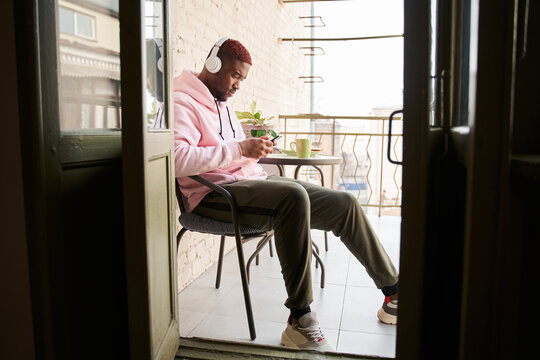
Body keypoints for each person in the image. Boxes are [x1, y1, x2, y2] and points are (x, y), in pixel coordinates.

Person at [174, 37, 399, 351]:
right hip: (213, 198)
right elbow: (176, 159)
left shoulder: (221, 104)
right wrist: (239, 148)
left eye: (243, 79)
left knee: (343, 203)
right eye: (235, 75)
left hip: (248, 185)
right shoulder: (180, 102)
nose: (238, 85)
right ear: (213, 64)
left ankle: (395, 293)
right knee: (293, 196)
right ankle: (300, 319)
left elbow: (229, 154)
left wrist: (255, 150)